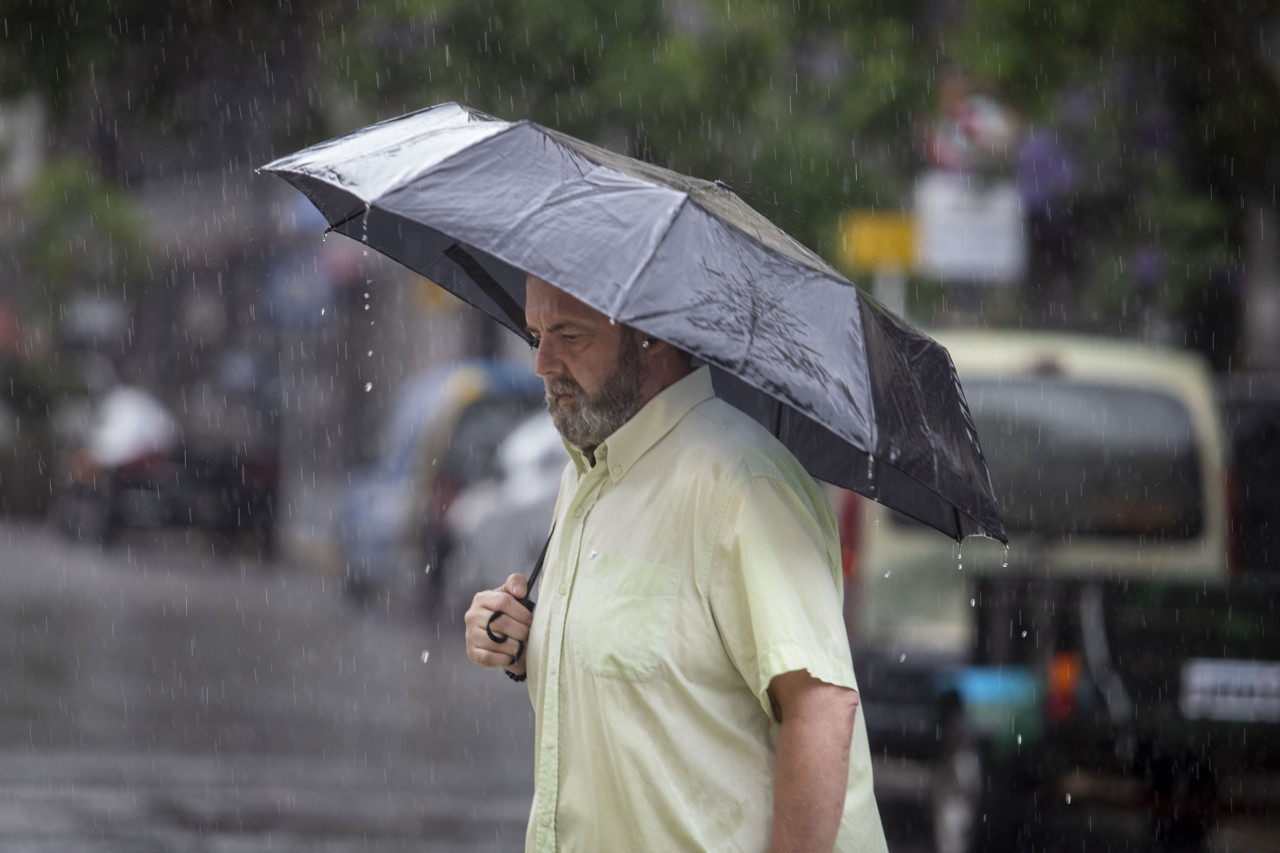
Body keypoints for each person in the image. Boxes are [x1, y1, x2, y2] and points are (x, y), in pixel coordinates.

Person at [465, 274, 888, 853]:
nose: (542, 362)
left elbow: (822, 707)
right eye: (536, 334)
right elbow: (649, 661)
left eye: (569, 334)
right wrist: (527, 641)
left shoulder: (741, 481)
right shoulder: (585, 474)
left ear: (651, 336)